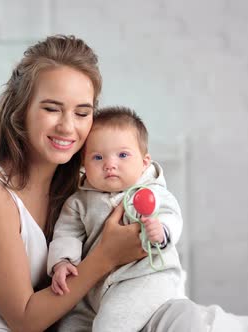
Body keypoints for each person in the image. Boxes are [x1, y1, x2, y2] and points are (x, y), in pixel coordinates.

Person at [0, 35, 204, 332]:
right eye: (51, 109)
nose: (68, 126)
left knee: (184, 316)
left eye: (82, 113)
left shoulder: (78, 186)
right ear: (20, 110)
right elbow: (24, 320)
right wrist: (106, 255)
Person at [47, 106, 187, 332]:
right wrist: (62, 262)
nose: (110, 164)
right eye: (98, 157)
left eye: (123, 155)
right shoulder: (78, 202)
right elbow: (67, 233)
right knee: (69, 324)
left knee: (111, 324)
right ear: (84, 164)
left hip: (144, 277)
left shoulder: (151, 192)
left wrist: (160, 231)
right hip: (94, 287)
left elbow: (171, 215)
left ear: (144, 162)